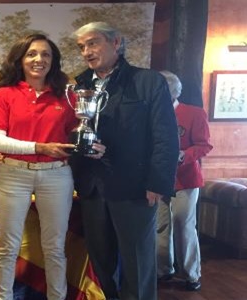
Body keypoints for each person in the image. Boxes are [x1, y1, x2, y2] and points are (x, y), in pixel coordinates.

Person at [0, 33, 105, 300]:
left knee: (54, 248)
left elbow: (76, 133)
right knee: (8, 246)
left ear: (53, 60)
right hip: (13, 174)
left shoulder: (66, 94)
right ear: (20, 59)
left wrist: (91, 145)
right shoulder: (4, 94)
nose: (39, 59)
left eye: (46, 54)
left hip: (56, 175)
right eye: (32, 54)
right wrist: (40, 147)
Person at [69, 22, 179, 300]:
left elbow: (165, 136)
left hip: (135, 187)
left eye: (92, 43)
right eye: (82, 46)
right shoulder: (79, 84)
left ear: (115, 43)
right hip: (92, 188)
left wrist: (157, 183)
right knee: (100, 261)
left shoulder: (148, 81)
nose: (86, 52)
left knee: (137, 263)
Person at [156, 70, 213, 291]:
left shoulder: (195, 113)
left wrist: (183, 155)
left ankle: (191, 274)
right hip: (158, 179)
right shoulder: (151, 114)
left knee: (183, 223)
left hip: (186, 178)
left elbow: (204, 145)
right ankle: (164, 270)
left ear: (172, 92)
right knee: (161, 226)